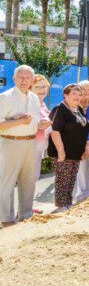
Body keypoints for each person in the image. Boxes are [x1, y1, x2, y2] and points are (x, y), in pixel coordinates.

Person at [0, 65, 42, 226]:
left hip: (30, 142)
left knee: (28, 181)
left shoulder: (33, 97)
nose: (24, 81)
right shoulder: (5, 97)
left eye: (27, 78)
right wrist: (19, 121)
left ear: (32, 80)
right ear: (14, 79)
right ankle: (6, 218)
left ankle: (25, 215)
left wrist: (41, 124)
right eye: (21, 77)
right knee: (7, 182)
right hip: (10, 141)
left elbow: (34, 121)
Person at [48, 84, 89, 210]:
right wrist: (61, 151)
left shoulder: (79, 109)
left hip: (75, 153)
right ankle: (61, 206)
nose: (77, 97)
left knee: (71, 179)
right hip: (63, 152)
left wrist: (84, 148)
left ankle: (68, 203)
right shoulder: (59, 109)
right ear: (65, 95)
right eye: (73, 94)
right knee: (62, 180)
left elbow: (83, 130)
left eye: (79, 94)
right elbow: (54, 131)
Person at [73, 80, 89, 203]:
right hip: (78, 142)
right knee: (81, 170)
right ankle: (81, 196)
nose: (86, 92)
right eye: (84, 89)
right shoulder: (74, 106)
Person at [31, 75, 52, 183]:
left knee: (34, 179)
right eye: (38, 87)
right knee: (28, 180)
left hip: (38, 149)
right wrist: (38, 125)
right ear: (31, 88)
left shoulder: (42, 104)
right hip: (29, 149)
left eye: (44, 87)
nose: (42, 90)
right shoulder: (29, 103)